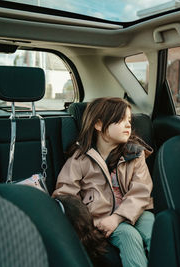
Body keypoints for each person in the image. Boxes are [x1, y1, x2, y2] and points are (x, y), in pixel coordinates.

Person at [53, 97, 154, 267]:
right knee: (128, 235)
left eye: (129, 120)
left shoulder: (135, 155)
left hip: (134, 212)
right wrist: (87, 223)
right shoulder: (80, 158)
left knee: (154, 229)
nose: (128, 125)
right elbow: (65, 195)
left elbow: (141, 192)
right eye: (121, 120)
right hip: (99, 219)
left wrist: (118, 217)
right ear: (99, 125)